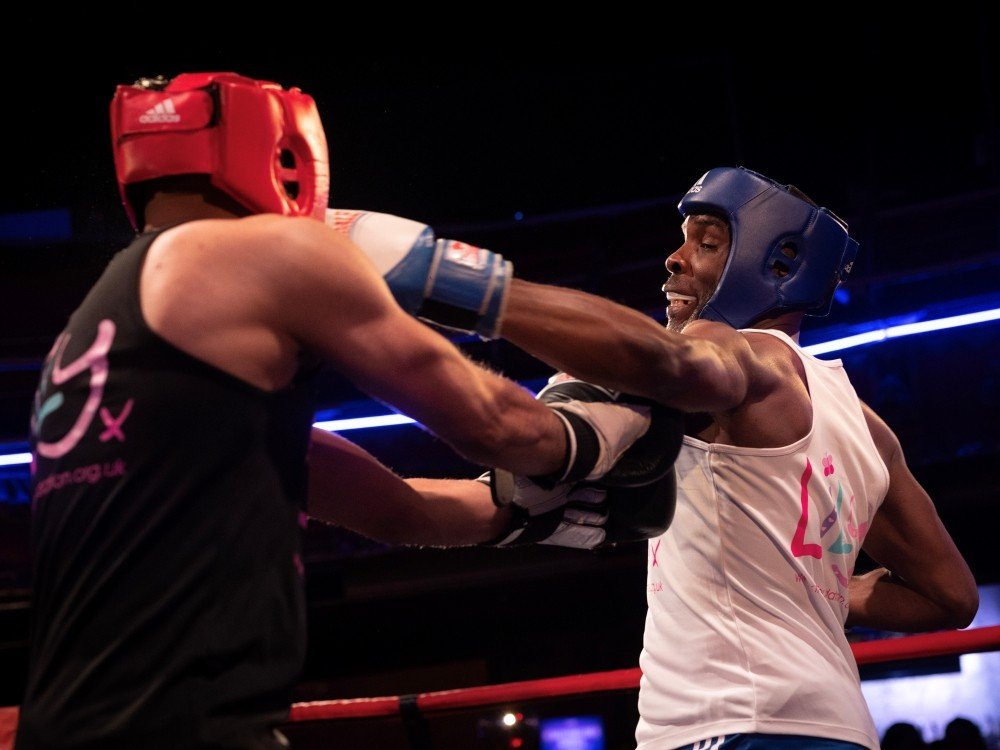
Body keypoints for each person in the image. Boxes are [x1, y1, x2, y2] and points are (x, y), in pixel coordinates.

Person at [15, 72, 672, 750]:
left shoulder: (104, 334)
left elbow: (392, 510)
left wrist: (520, 515)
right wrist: (603, 428)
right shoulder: (259, 251)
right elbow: (496, 425)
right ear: (285, 152)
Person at [311, 166, 980, 749]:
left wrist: (442, 278)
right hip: (835, 725)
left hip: (727, 723)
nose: (674, 259)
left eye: (709, 242)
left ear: (778, 265)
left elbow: (659, 369)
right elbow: (950, 597)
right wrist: (832, 594)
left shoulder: (740, 361)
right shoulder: (864, 422)